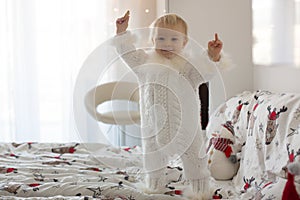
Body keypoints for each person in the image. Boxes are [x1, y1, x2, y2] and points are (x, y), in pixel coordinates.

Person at [114, 10, 230, 198]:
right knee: (152, 158)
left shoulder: (188, 67)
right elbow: (127, 53)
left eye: (174, 40)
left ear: (184, 42)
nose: (167, 44)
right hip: (153, 127)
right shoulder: (144, 64)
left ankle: (200, 189)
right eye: (160, 38)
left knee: (195, 160)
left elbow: (206, 72)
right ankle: (154, 186)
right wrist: (122, 33)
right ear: (152, 41)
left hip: (187, 128)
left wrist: (212, 55)